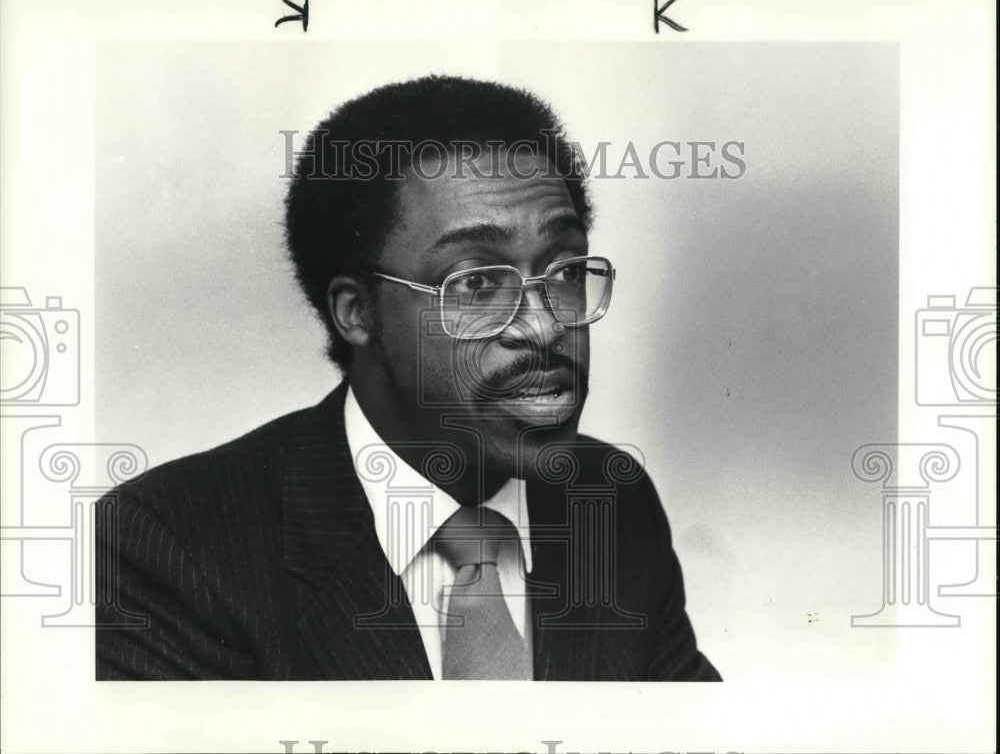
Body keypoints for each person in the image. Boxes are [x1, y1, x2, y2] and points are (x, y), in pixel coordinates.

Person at [95, 75, 720, 681]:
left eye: (564, 272)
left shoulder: (611, 502)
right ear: (357, 313)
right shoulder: (171, 548)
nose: (544, 327)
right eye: (475, 283)